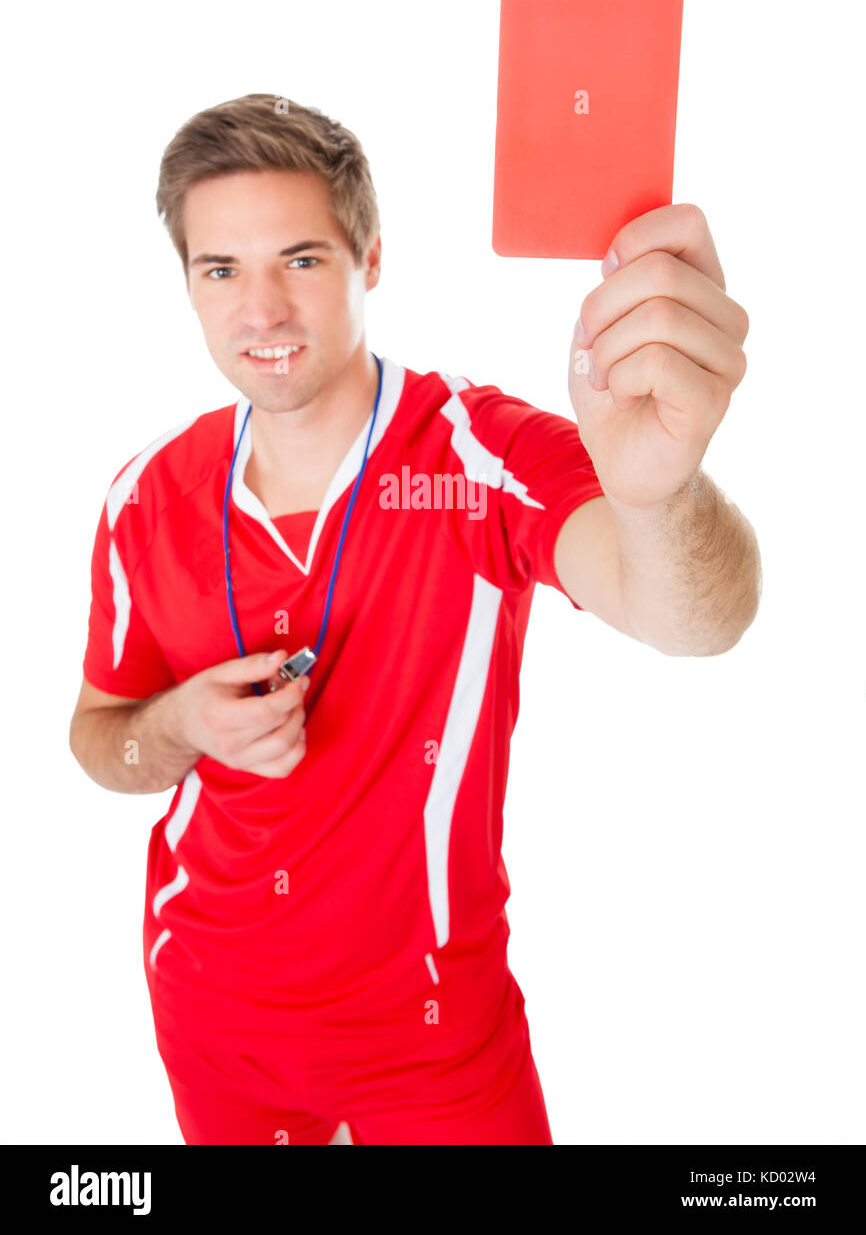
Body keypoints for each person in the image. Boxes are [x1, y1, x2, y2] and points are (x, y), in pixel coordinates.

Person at [68, 93, 760, 1145]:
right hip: (210, 1018)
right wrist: (178, 729)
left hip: (433, 1039)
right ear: (189, 286)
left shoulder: (475, 455)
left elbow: (694, 616)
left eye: (300, 259)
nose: (261, 311)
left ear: (370, 261)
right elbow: (98, 735)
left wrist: (657, 492)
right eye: (221, 270)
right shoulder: (143, 496)